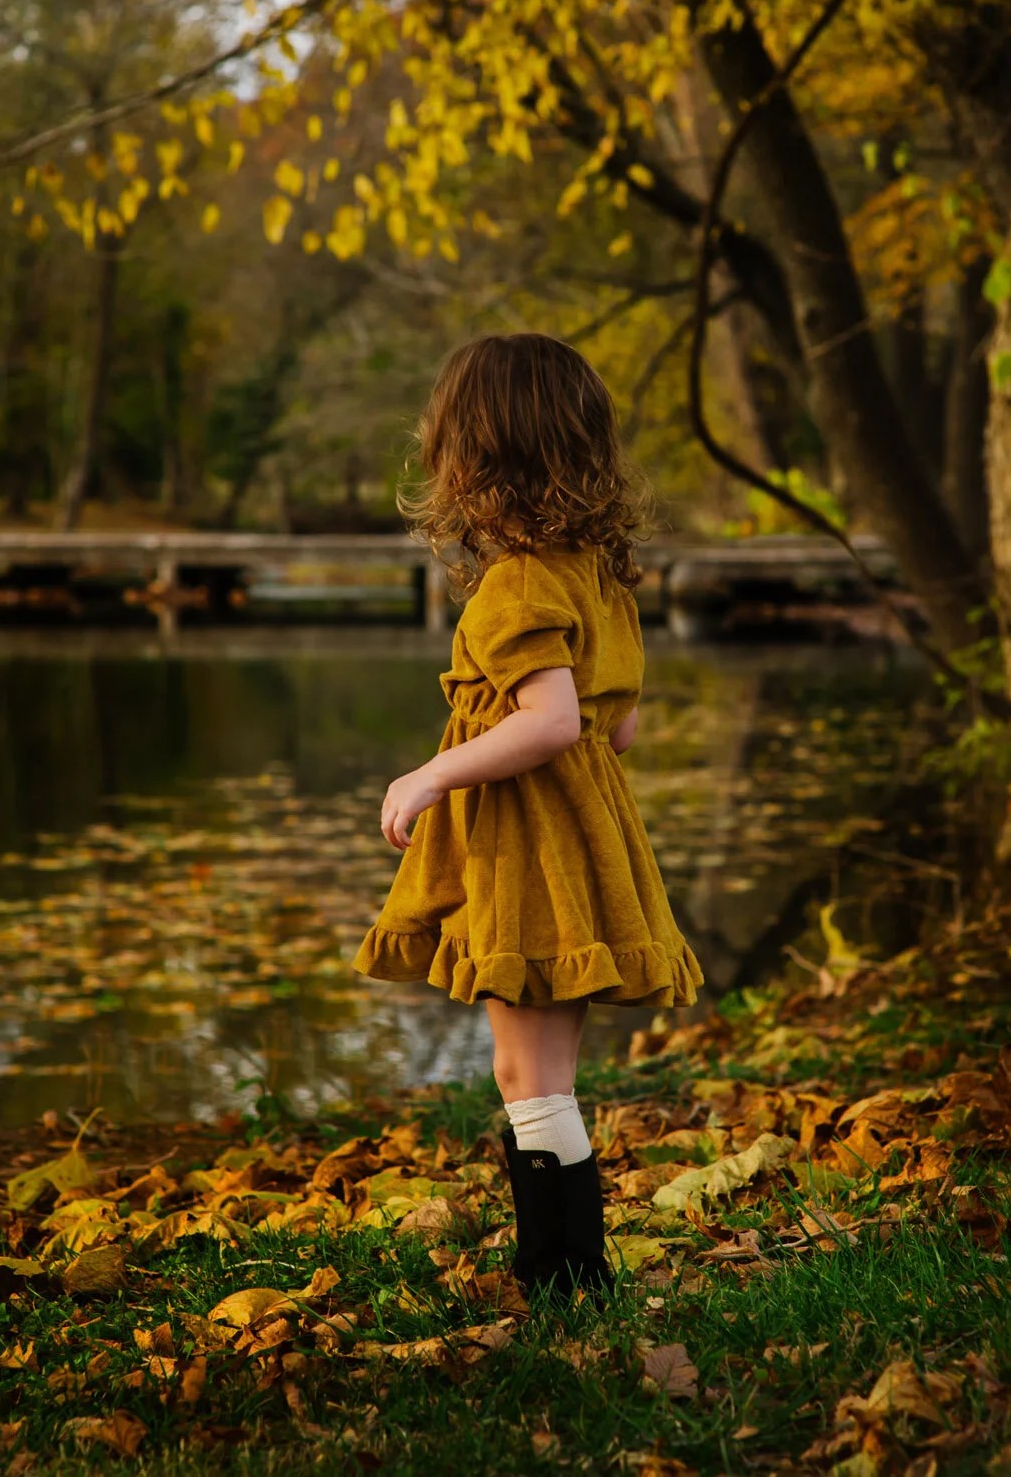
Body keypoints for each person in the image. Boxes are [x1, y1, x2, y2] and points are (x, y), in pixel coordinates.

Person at [354, 332, 703, 1299]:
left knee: (524, 1074)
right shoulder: (600, 573)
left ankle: (562, 1281)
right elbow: (615, 729)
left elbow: (548, 722)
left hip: (530, 855)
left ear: (472, 458)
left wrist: (431, 773)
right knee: (541, 1076)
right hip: (589, 852)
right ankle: (567, 1276)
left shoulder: (515, 584)